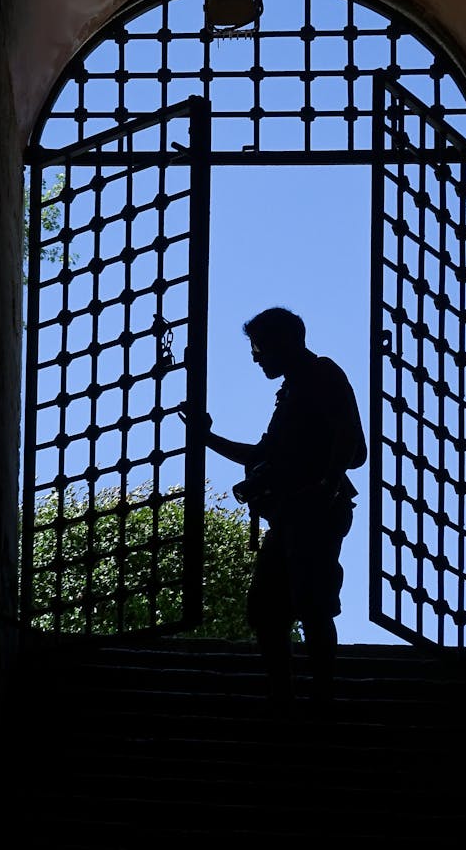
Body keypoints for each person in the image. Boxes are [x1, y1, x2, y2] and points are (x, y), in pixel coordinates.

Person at [184, 306, 367, 718]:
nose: (255, 356)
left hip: (312, 511)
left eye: (259, 346)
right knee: (273, 607)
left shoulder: (320, 375)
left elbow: (348, 440)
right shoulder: (297, 389)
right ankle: (293, 698)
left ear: (284, 342)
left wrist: (325, 484)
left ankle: (312, 700)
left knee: (310, 605)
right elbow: (265, 453)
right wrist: (207, 437)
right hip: (297, 512)